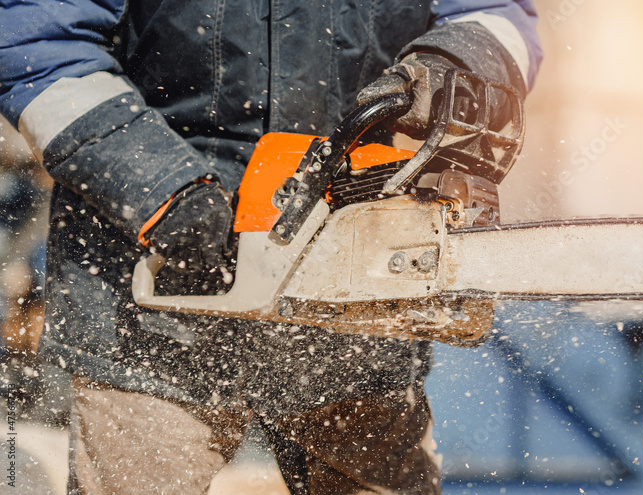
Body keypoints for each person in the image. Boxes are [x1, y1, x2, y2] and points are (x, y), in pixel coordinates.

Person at [0, 0, 542, 492]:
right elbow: (36, 42)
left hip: (354, 272)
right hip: (148, 299)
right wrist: (154, 185)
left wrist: (452, 65)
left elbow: (493, 12)